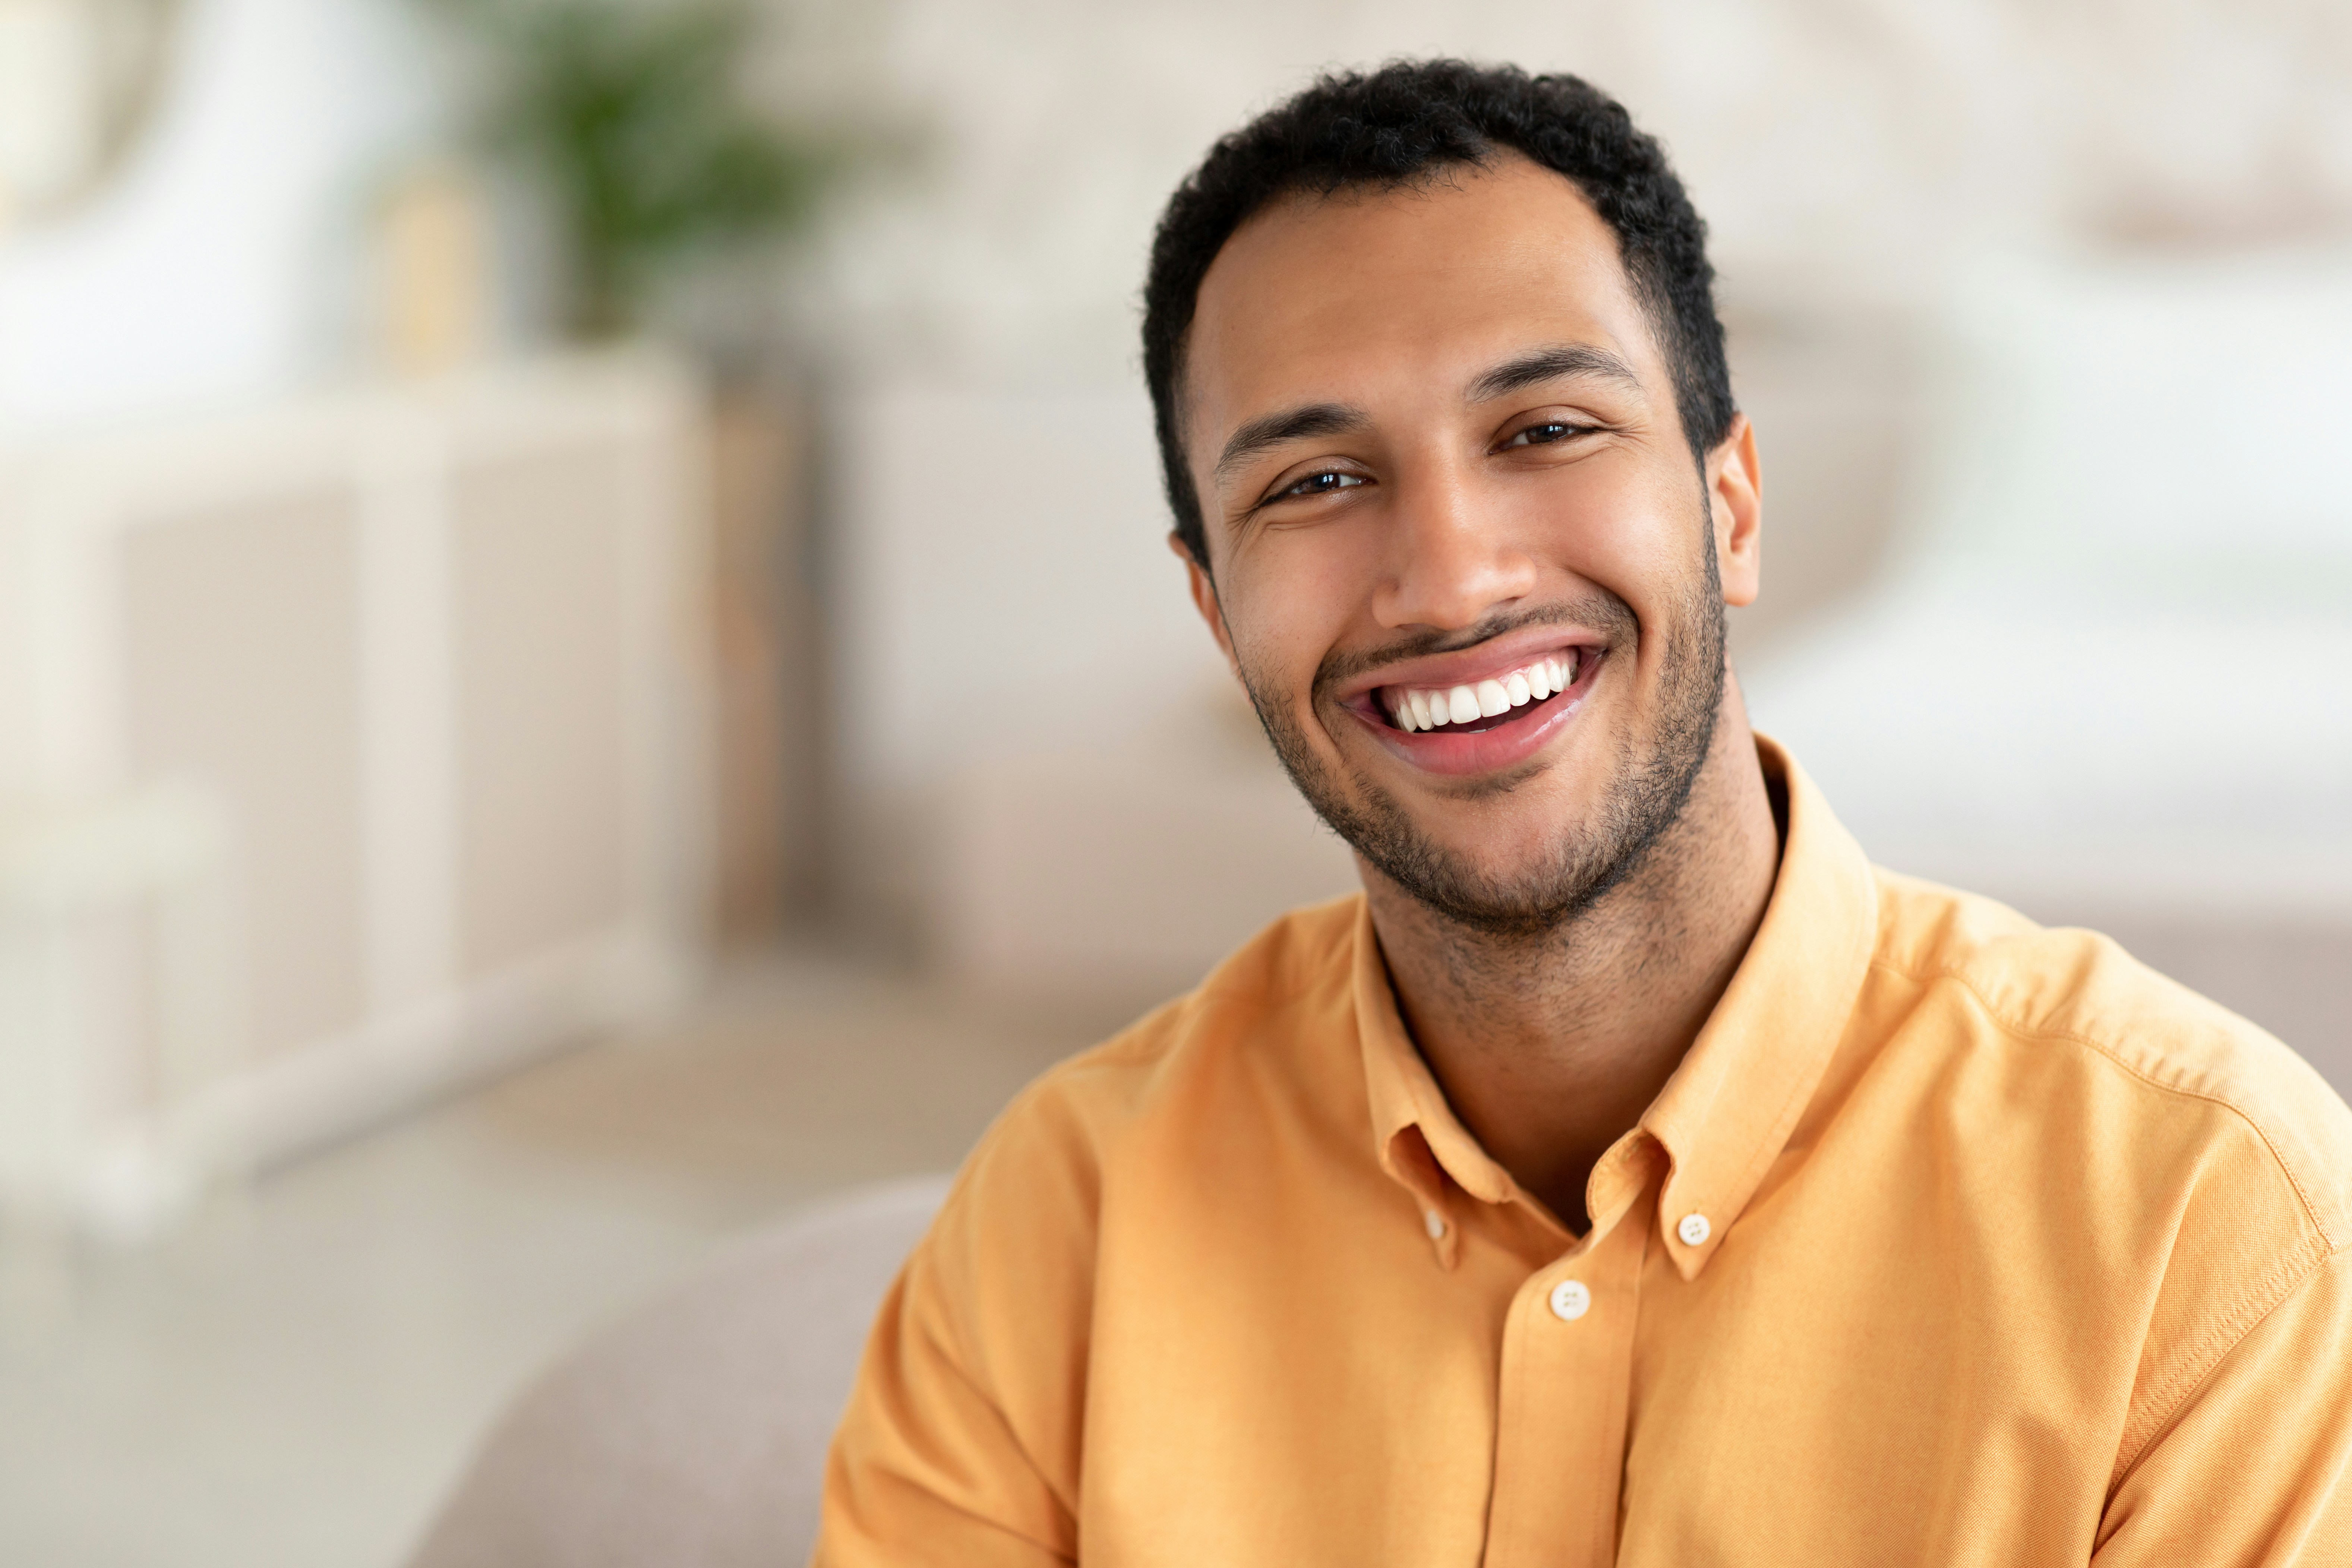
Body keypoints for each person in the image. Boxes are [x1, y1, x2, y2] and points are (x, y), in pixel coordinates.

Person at [813, 61, 2352, 1565]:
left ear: (1731, 504)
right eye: (1319, 480)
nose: (1454, 574)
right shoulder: (1057, 1225)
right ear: (1216, 607)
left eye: (1545, 428)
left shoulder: (2203, 1218)